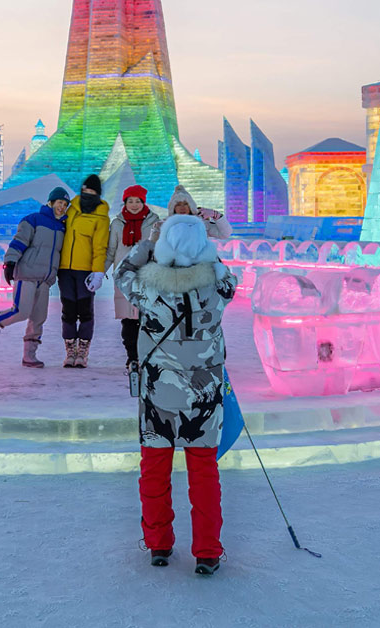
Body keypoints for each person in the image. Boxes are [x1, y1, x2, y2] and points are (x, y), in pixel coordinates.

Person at [115, 213, 237, 576]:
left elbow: (121, 272)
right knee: (203, 474)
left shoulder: (148, 288)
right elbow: (227, 275)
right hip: (204, 396)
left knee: (154, 472)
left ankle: (158, 544)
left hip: (158, 396)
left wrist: (149, 244)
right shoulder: (217, 286)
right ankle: (207, 551)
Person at [0, 186, 69, 368]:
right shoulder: (34, 219)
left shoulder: (63, 227)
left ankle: (29, 356)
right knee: (20, 311)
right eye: (59, 203)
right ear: (51, 202)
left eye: (65, 204)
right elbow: (19, 241)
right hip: (27, 274)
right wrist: (10, 262)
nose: (61, 207)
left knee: (39, 318)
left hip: (45, 280)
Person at [58, 173, 110, 368]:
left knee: (85, 312)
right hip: (65, 270)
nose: (87, 194)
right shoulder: (71, 210)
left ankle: (83, 352)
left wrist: (98, 272)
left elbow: (100, 247)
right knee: (68, 311)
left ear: (97, 194)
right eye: (85, 190)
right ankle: (70, 351)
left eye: (92, 191)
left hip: (85, 271)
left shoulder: (101, 217)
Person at [106, 184, 160, 371]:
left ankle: (148, 356)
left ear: (143, 202)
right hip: (125, 278)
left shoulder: (155, 222)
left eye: (138, 201)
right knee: (128, 320)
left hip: (148, 277)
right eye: (130, 201)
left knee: (149, 318)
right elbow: (111, 251)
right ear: (125, 202)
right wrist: (99, 271)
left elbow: (160, 250)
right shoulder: (117, 223)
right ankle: (132, 358)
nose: (134, 205)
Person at [152, 185, 232, 242]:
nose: (182, 207)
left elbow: (224, 234)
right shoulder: (162, 225)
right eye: (178, 204)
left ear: (191, 206)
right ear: (173, 208)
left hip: (200, 263)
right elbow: (153, 249)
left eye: (185, 204)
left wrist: (216, 215)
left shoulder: (202, 222)